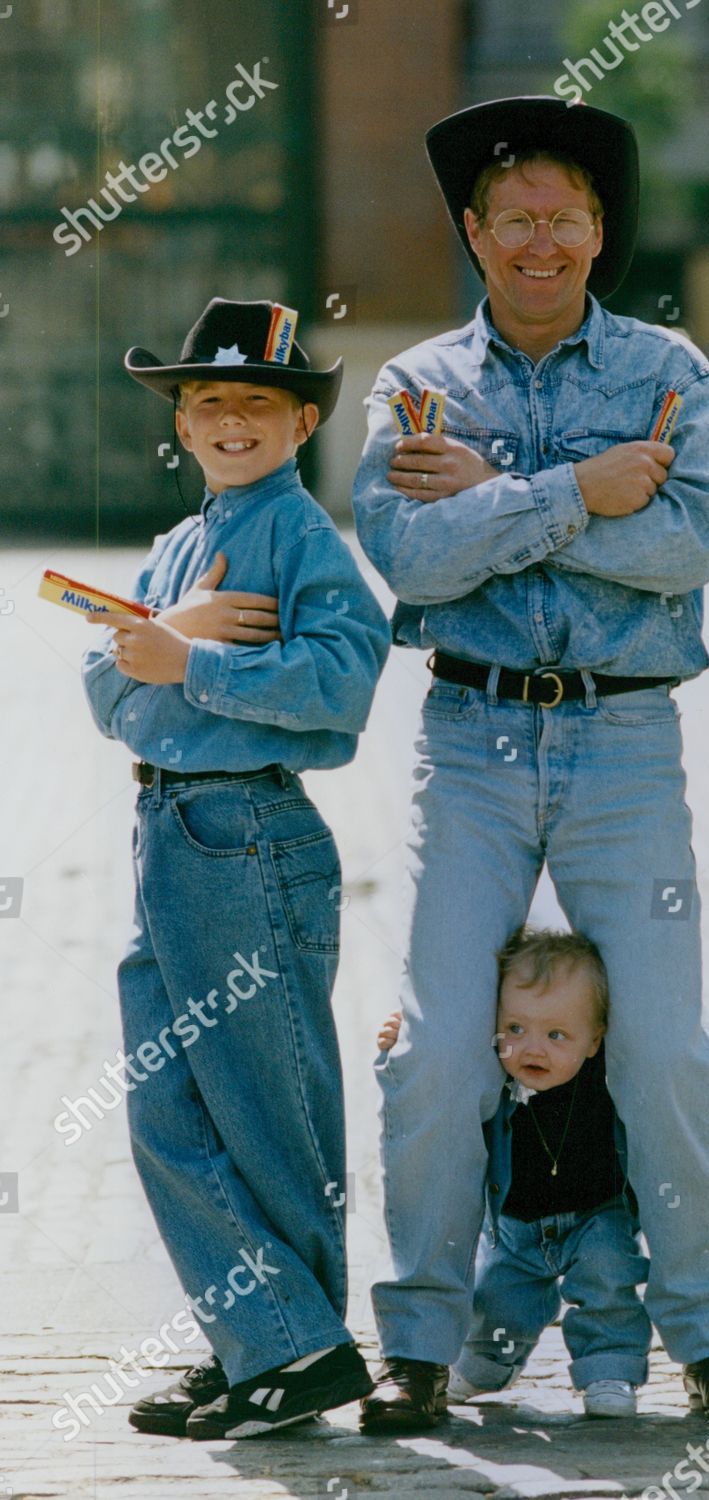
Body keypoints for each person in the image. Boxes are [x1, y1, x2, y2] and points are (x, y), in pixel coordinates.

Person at [352, 94, 709, 1433]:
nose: (540, 241)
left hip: (621, 744)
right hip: (468, 748)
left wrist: (490, 495)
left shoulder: (672, 375)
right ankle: (417, 1344)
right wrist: (577, 490)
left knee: (658, 1050)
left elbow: (681, 550)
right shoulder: (416, 385)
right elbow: (406, 560)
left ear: (598, 231)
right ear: (473, 233)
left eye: (565, 217)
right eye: (513, 219)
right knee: (434, 1055)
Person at [81, 297, 390, 1439]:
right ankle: (264, 1339)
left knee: (269, 1107)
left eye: (254, 401)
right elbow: (103, 689)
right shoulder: (179, 544)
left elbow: (340, 682)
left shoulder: (304, 538)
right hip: (166, 833)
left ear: (303, 420)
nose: (227, 421)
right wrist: (180, 635)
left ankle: (297, 1351)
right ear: (181, 421)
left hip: (246, 833)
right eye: (206, 402)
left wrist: (189, 656)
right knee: (167, 1108)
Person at [377, 930, 709, 1420]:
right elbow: (434, 1077)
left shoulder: (608, 1070)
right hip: (515, 1226)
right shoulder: (490, 1069)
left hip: (598, 1216)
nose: (533, 1049)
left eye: (556, 1035)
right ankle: (486, 1365)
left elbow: (671, 1063)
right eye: (515, 1028)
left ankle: (608, 1368)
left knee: (608, 1287)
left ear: (595, 1040)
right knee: (499, 1303)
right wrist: (408, 1042)